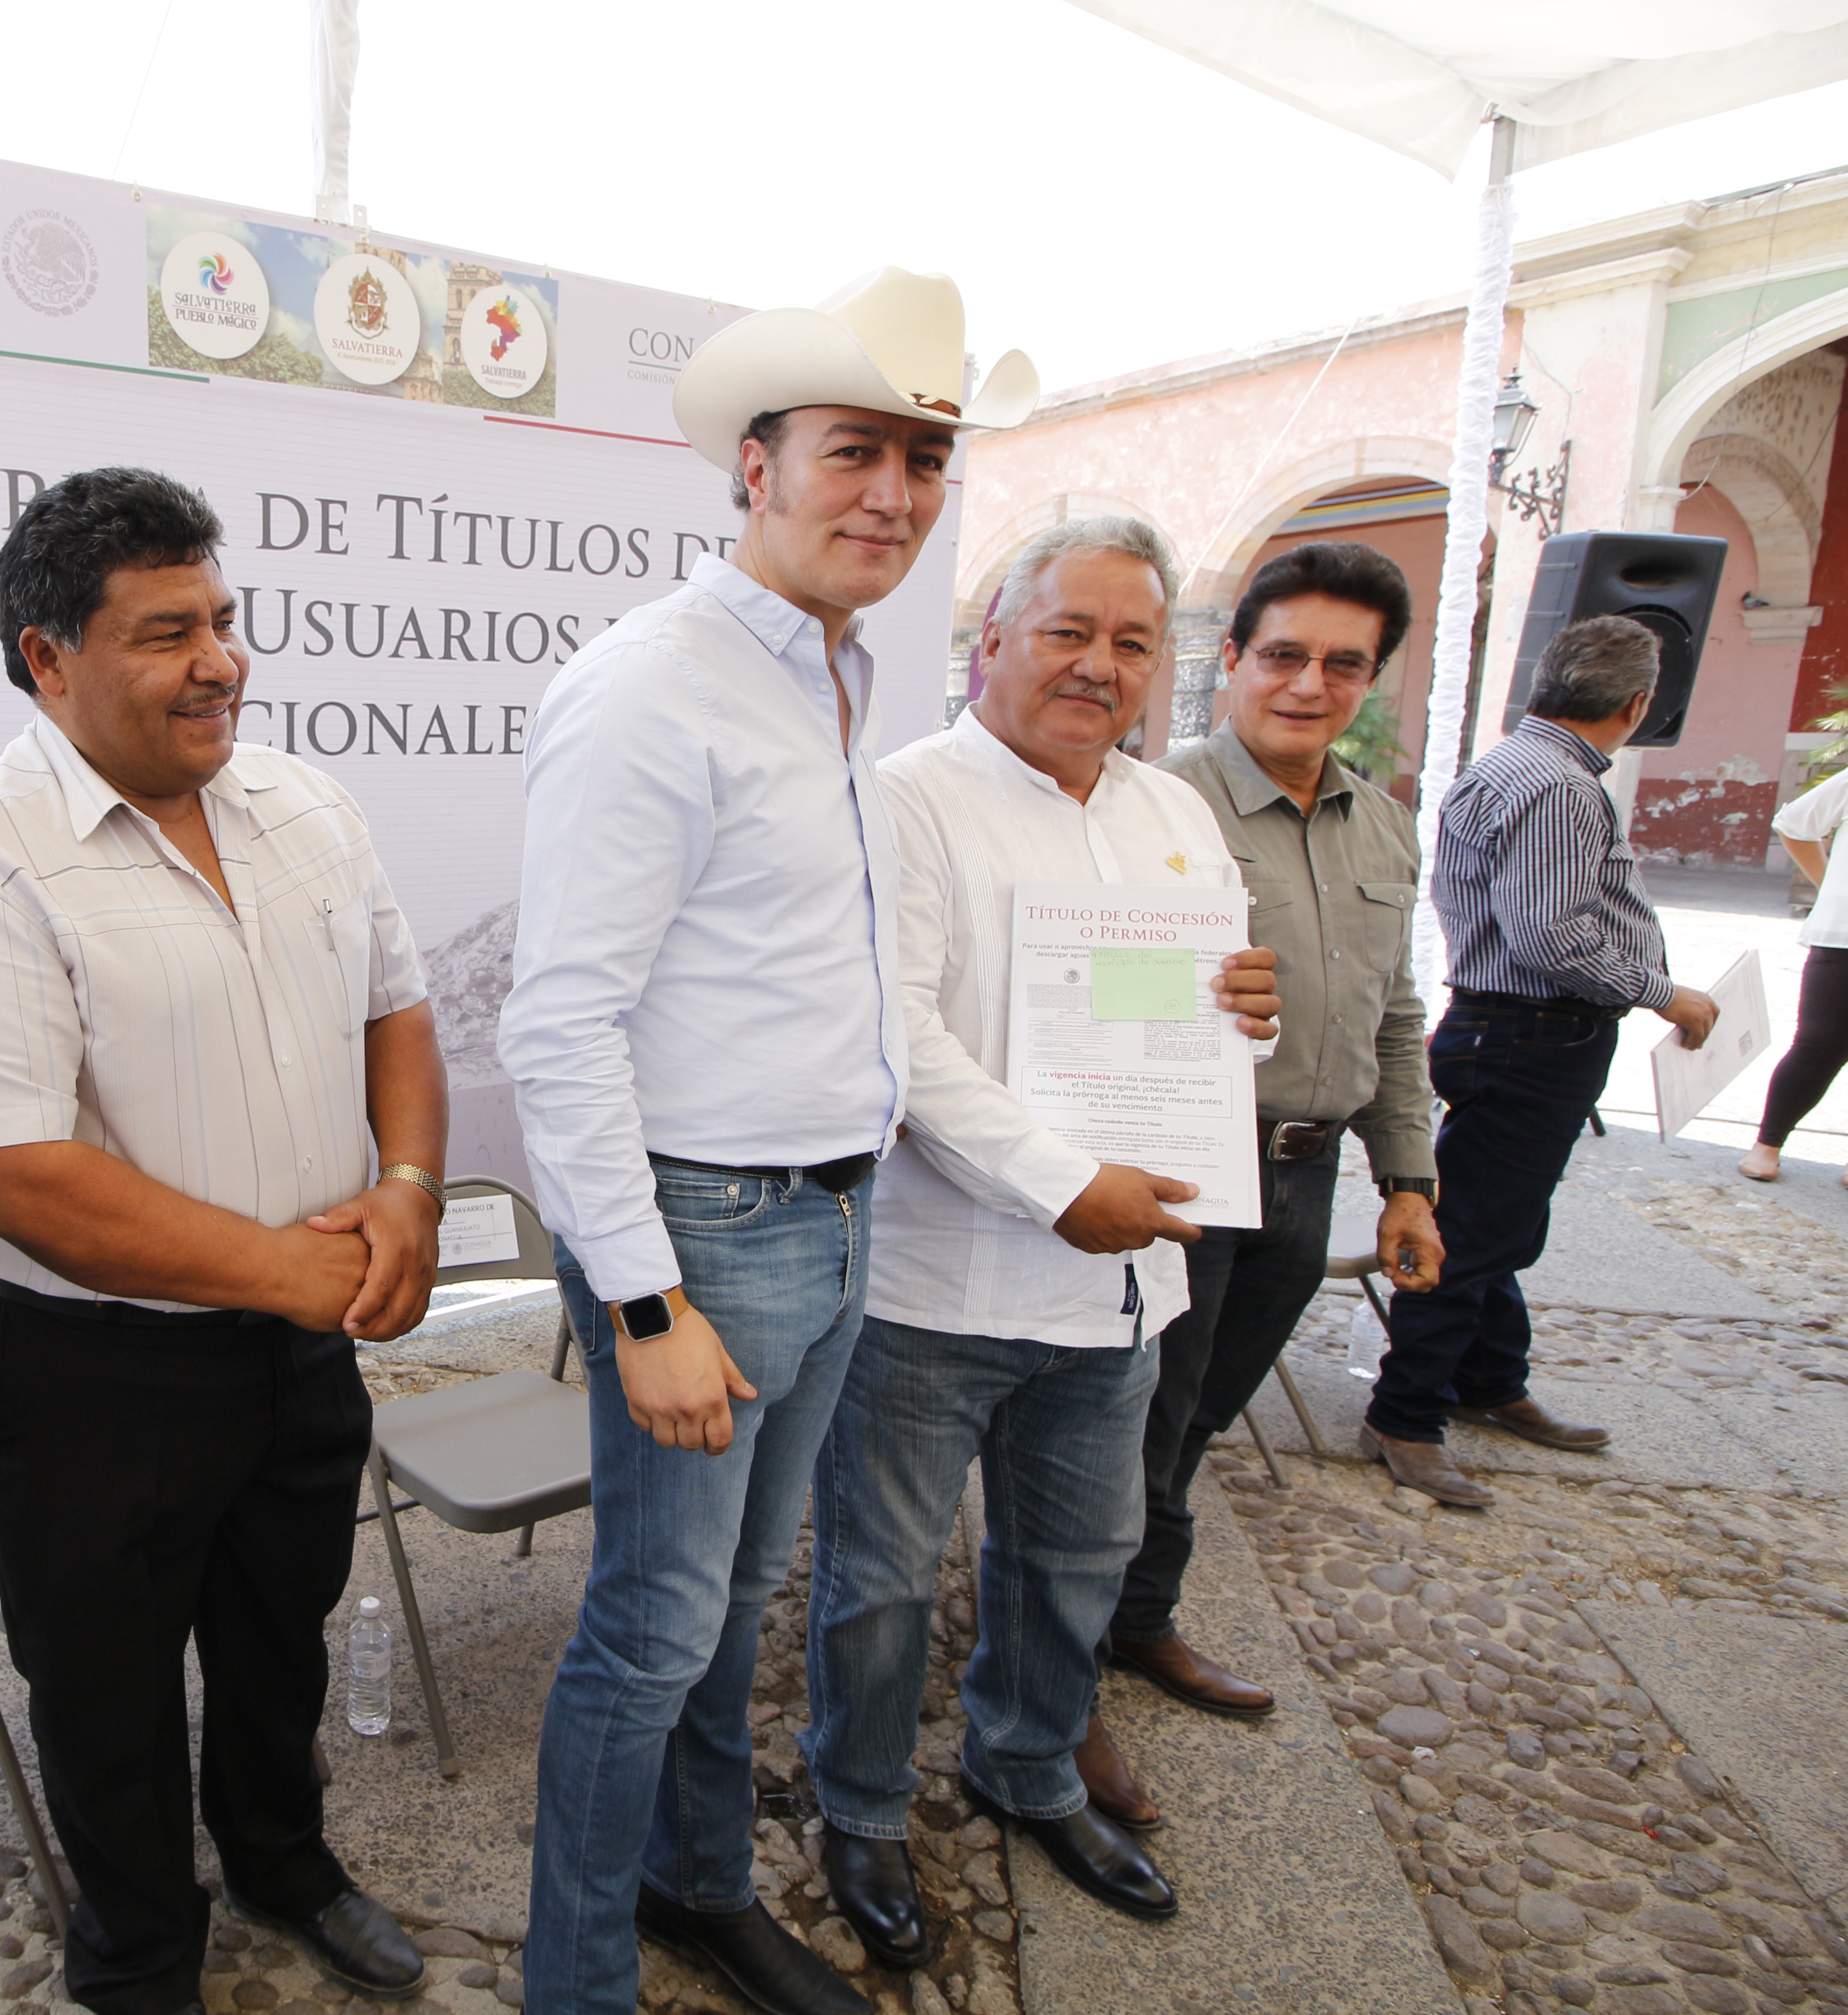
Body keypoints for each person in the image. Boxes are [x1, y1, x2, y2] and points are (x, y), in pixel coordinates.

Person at [500, 268, 1039, 2015]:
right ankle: (574, 1978)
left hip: (827, 1214)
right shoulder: (651, 685)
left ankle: (701, 1885)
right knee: (651, 1632)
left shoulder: (835, 671)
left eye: (924, 460)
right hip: (706, 1233)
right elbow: (558, 1024)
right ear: (756, 463)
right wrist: (649, 1306)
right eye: (854, 452)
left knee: (734, 1610)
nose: (893, 492)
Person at [0, 467, 439, 2015]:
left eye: (227, 620)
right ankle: (138, 1956)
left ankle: (285, 1863)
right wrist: (295, 1272)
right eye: (167, 631)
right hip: (89, 1372)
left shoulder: (307, 805)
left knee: (279, 1636)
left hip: (298, 1340)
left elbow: (398, 1006)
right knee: (106, 1693)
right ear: (48, 658)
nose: (222, 662)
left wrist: (407, 1191)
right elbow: (13, 1179)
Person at [806, 517, 1285, 1931]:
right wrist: (1058, 1179)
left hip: (1118, 1292)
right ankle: (860, 1807)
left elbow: (1195, 1034)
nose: (1097, 663)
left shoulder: (1169, 811)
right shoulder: (900, 798)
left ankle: (1026, 1767)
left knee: (1075, 1561)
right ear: (990, 643)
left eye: (1131, 640)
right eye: (1066, 630)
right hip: (931, 1286)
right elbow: (897, 1041)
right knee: (879, 1582)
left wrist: (1241, 1018)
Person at [1099, 543, 1447, 1800]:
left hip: (1306, 1178)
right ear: (1231, 660)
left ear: (1369, 681)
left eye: (1342, 665)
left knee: (1195, 1425)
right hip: (1184, 1176)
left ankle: (1139, 1617)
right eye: (1284, 655)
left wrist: (1408, 1178)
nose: (1310, 684)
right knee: (1131, 1426)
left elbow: (1394, 1012)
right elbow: (1086, 988)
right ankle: (1065, 1676)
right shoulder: (1144, 803)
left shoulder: (1385, 826)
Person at [1368, 614, 1719, 1504]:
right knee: (1478, 1233)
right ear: (1637, 704)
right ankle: (1404, 1413)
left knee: (1502, 1223)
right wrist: (1662, 990)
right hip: (1531, 1030)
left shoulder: (1508, 765)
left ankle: (1491, 1378)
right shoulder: (1561, 785)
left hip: (1505, 1026)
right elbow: (1550, 935)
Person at [1739, 760, 1848, 1185]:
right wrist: (1829, 887)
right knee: (1819, 1044)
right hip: (1843, 937)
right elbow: (1795, 823)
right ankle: (1767, 1145)